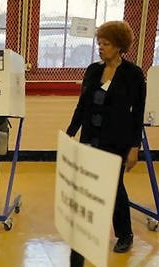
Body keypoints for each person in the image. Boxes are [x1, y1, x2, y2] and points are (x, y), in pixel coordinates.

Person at [66, 21, 146, 253]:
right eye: (99, 43)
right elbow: (82, 104)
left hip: (116, 140)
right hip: (90, 137)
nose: (101, 47)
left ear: (119, 46)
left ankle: (124, 234)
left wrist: (134, 147)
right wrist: (71, 131)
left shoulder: (133, 74)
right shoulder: (93, 70)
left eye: (106, 44)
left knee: (113, 186)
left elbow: (137, 113)